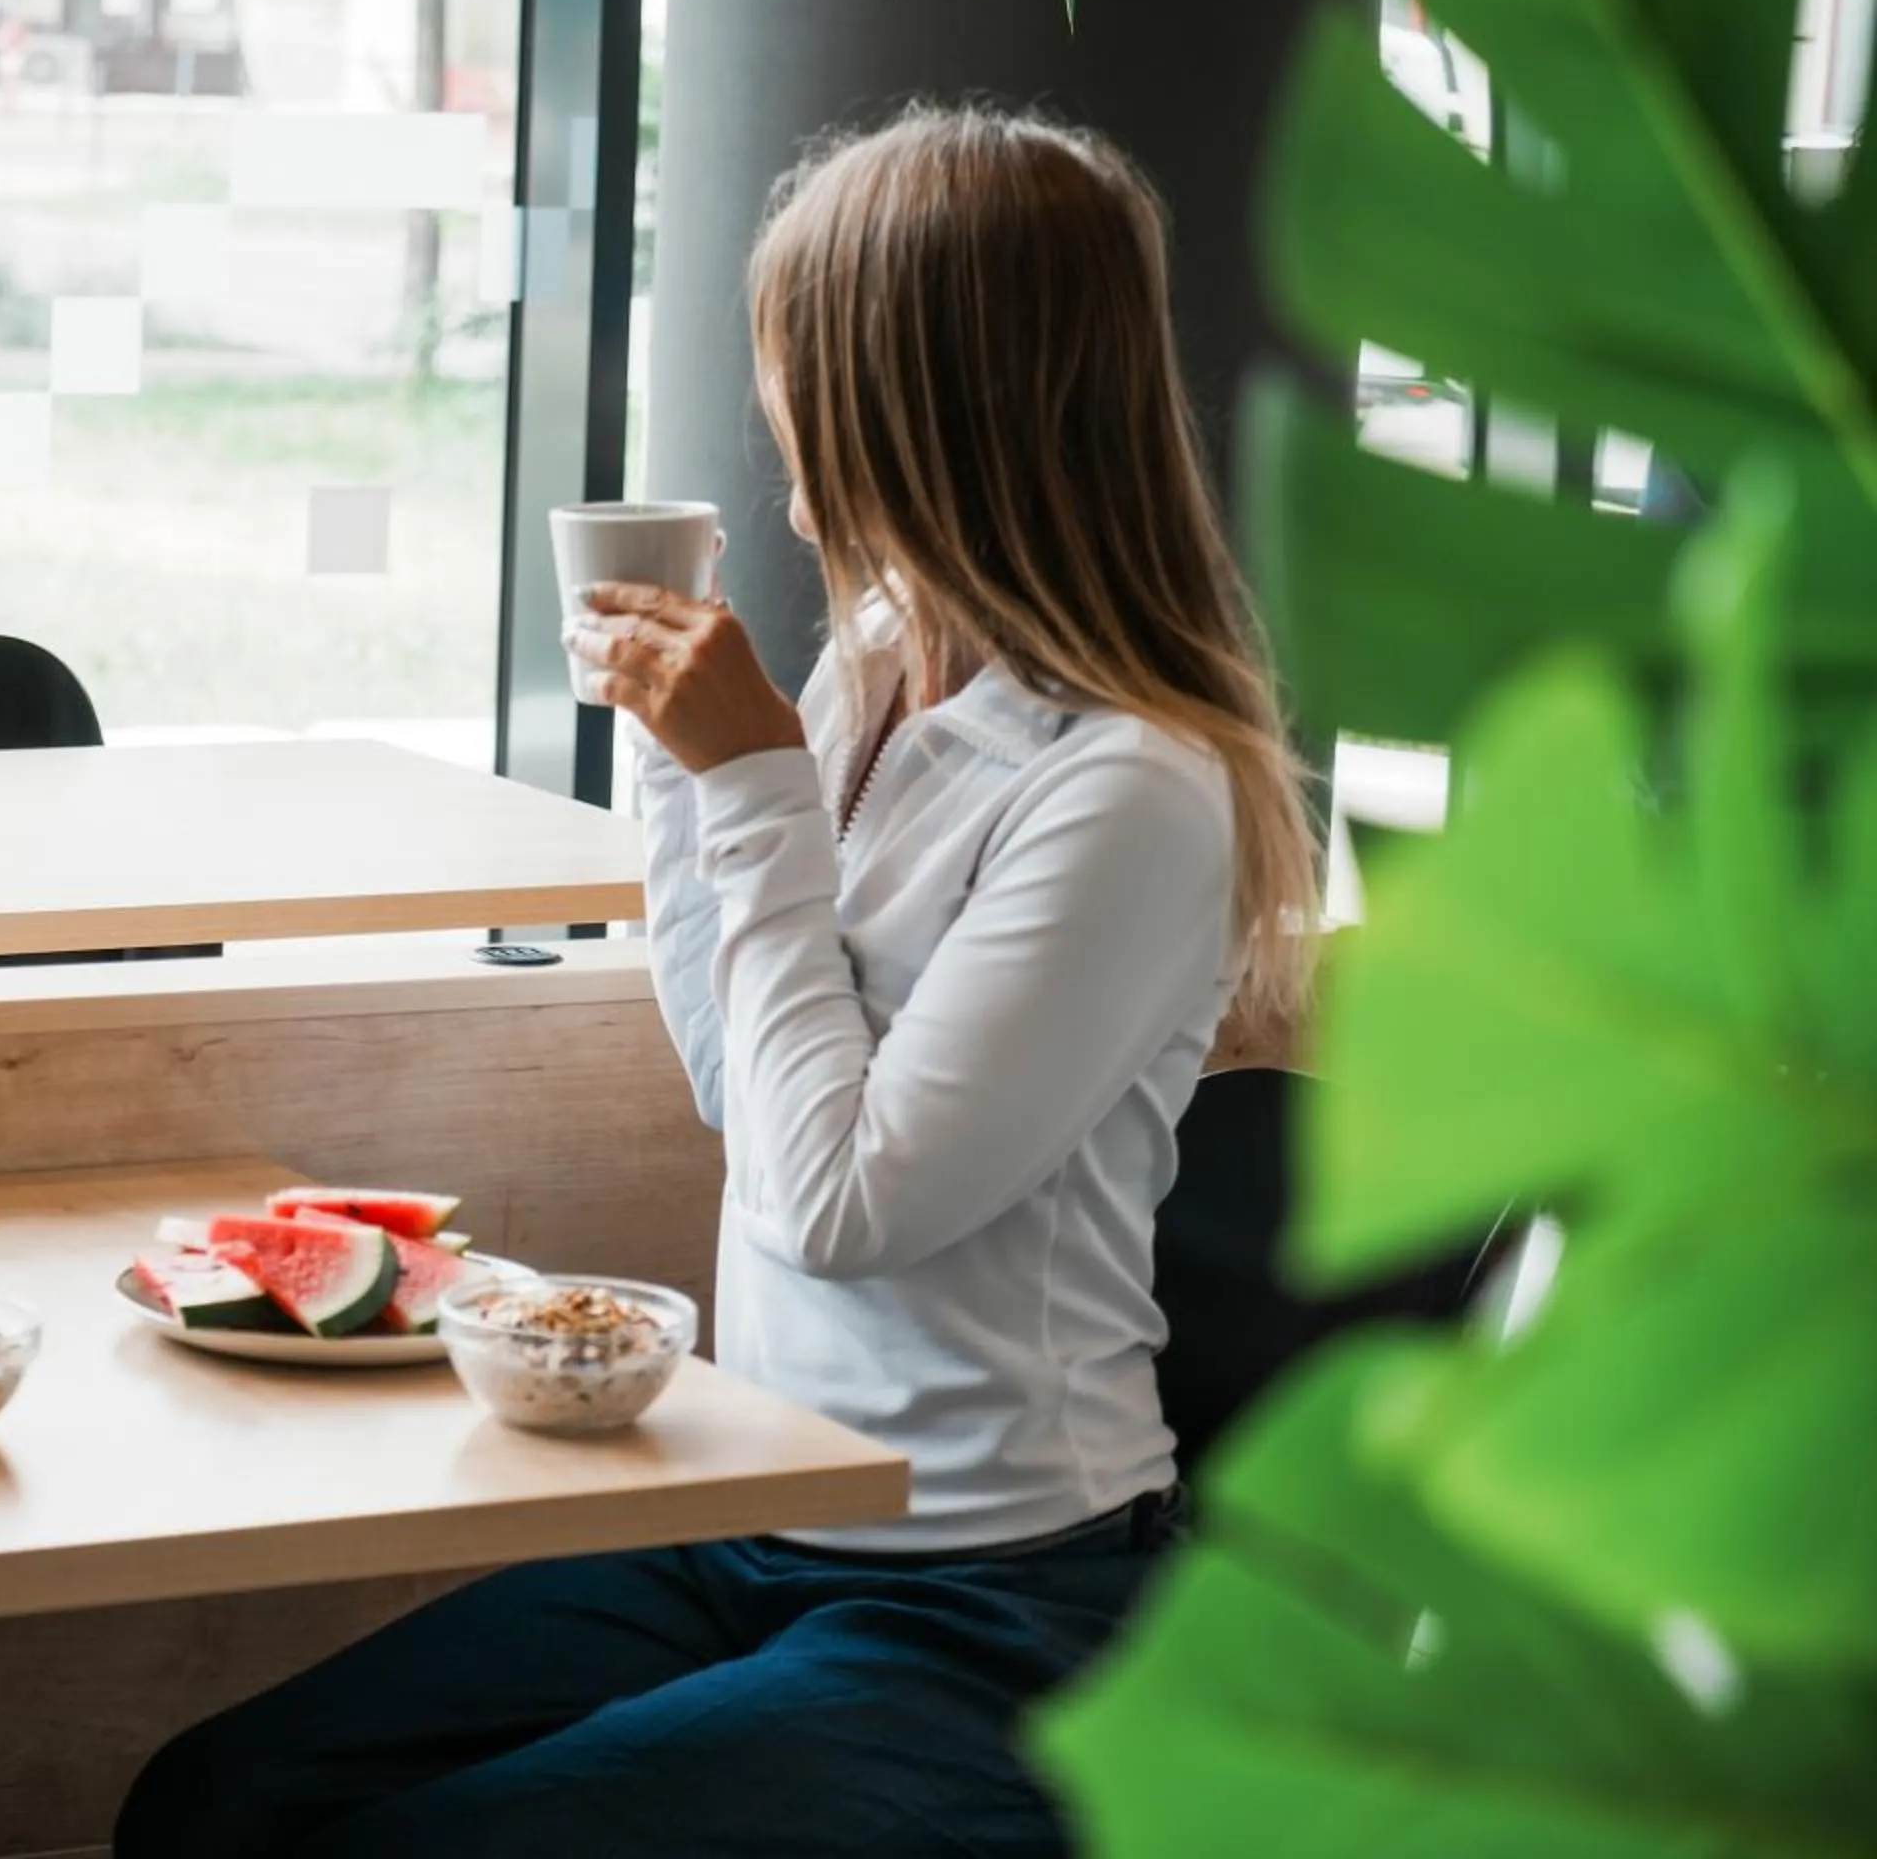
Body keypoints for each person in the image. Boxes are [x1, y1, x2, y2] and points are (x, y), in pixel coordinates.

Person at [112, 105, 1319, 1858]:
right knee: (214, 1804)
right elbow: (743, 1093)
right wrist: (686, 771)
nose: (776, 419)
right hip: (750, 1514)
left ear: (921, 399)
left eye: (797, 370)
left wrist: (750, 786)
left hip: (1000, 1610)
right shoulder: (885, 669)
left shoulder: (1128, 788)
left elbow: (837, 1209)